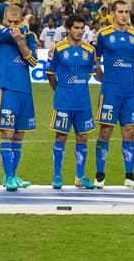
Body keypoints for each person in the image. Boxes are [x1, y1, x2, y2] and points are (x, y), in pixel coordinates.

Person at [94, 0, 134, 189]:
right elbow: (95, 59)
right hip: (110, 91)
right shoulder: (103, 35)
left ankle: (129, 175)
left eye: (126, 12)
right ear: (113, 13)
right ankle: (100, 174)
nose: (124, 15)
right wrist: (103, 78)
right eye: (120, 12)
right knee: (106, 130)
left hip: (129, 91)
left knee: (129, 131)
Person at [46, 13, 97, 190]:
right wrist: (60, 90)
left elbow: (89, 74)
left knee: (82, 137)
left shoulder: (89, 50)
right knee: (61, 136)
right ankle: (57, 175)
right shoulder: (57, 49)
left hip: (83, 101)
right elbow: (50, 74)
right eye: (76, 28)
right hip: (64, 101)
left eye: (82, 28)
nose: (79, 31)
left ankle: (80, 176)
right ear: (68, 29)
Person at [0, 2, 37, 191]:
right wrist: (24, 23)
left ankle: (13, 175)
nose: (13, 25)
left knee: (19, 134)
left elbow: (33, 61)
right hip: (7, 87)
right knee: (7, 132)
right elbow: (14, 32)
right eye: (10, 21)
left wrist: (22, 42)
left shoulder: (29, 37)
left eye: (16, 21)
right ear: (4, 19)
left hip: (24, 89)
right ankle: (8, 176)